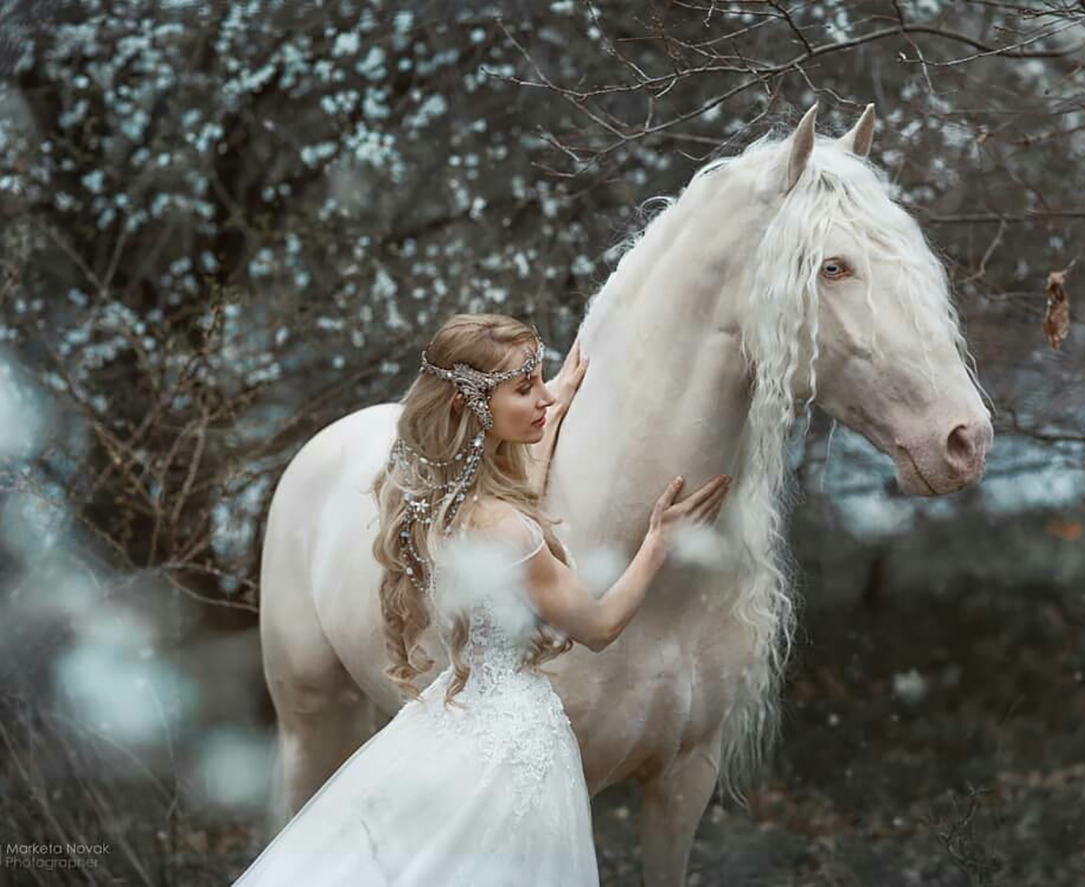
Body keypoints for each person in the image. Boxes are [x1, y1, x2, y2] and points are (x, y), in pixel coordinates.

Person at [233, 313, 732, 886]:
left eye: (541, 380)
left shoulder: (432, 495)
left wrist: (552, 409)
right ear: (473, 409)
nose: (545, 397)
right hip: (512, 744)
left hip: (455, 720)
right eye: (526, 389)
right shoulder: (507, 530)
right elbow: (598, 627)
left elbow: (515, 495)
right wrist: (659, 542)